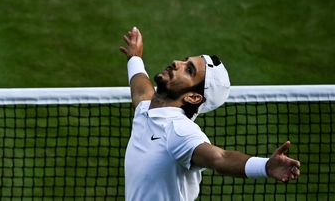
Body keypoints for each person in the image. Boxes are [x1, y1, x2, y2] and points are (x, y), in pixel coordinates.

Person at [119, 26, 301, 200]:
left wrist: (265, 166)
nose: (177, 63)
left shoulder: (179, 130)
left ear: (193, 97)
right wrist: (135, 57)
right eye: (184, 61)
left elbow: (219, 158)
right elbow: (142, 91)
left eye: (189, 70)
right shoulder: (147, 110)